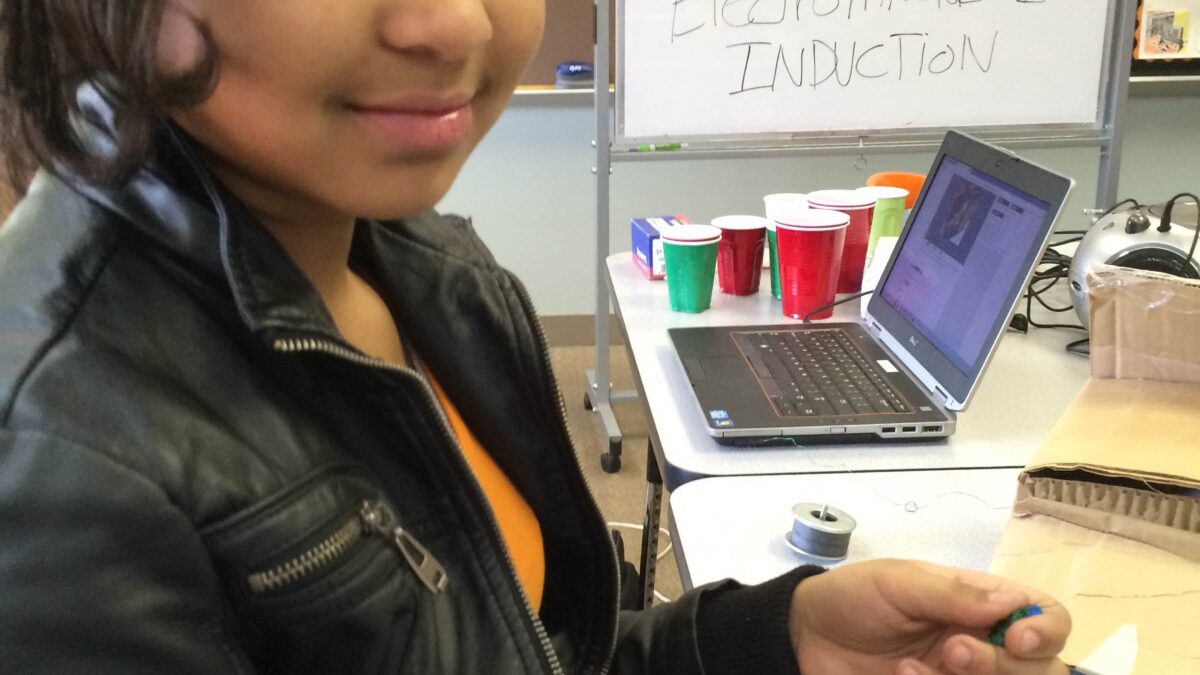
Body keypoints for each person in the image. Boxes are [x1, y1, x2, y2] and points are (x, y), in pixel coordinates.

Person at [0, 2, 1073, 673]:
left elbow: (548, 647)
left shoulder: (434, 269)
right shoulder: (61, 472)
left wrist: (773, 641)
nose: (457, 24)